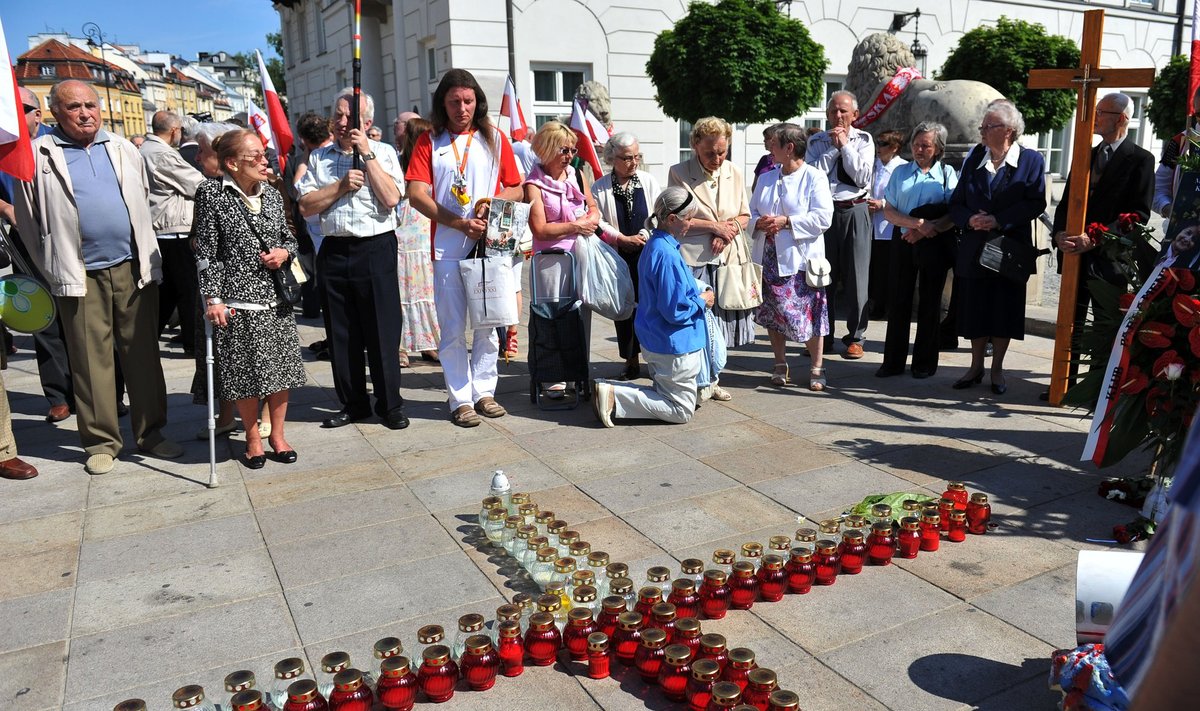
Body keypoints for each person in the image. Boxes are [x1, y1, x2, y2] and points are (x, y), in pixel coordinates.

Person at [12, 79, 182, 475]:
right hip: (79, 273)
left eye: (90, 104)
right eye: (74, 107)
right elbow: (29, 221)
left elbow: (139, 200)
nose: (85, 113)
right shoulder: (38, 155)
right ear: (56, 112)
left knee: (142, 355)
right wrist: (53, 267)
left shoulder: (123, 148)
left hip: (130, 267)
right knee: (91, 361)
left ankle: (151, 433)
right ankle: (101, 441)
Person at [405, 69, 523, 428]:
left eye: (468, 100)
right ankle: (460, 399)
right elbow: (415, 194)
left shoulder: (495, 139)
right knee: (454, 327)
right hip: (447, 249)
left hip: (490, 248)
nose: (462, 108)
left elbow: (516, 188)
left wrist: (492, 200)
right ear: (443, 102)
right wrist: (457, 222)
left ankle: (484, 392)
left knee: (488, 324)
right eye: (454, 101)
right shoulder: (430, 141)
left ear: (477, 102)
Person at [297, 88, 409, 431]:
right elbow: (306, 204)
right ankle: (353, 403)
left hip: (375, 248)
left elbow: (391, 197)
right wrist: (341, 186)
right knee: (342, 333)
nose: (342, 123)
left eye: (351, 117)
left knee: (381, 330)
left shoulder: (385, 152)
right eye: (339, 115)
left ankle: (390, 404)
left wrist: (368, 155)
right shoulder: (320, 158)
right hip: (334, 249)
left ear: (368, 123)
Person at [193, 128, 306, 468]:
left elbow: (291, 237)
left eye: (263, 154)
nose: (263, 160)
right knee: (244, 373)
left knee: (280, 371)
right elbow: (207, 251)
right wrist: (213, 297)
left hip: (276, 298)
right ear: (232, 163)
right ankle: (253, 437)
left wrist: (284, 252)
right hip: (237, 298)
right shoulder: (211, 193)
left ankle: (278, 435)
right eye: (254, 156)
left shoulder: (271, 194)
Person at [1051, 92, 1155, 392]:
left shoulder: (1141, 160)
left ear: (1122, 118)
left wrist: (1094, 237)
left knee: (1104, 327)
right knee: (1070, 324)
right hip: (1073, 256)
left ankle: (1095, 389)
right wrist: (1060, 233)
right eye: (1096, 110)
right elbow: (1066, 201)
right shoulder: (1087, 154)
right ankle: (1063, 384)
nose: (1095, 117)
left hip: (1109, 260)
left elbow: (1138, 215)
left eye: (1103, 112)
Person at [948, 99, 1047, 395]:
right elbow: (956, 202)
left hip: (1009, 249)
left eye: (988, 125)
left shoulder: (1030, 160)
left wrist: (999, 220)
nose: (981, 130)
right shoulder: (975, 156)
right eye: (983, 125)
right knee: (975, 310)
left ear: (1008, 130)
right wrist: (970, 220)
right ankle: (975, 365)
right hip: (975, 246)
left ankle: (997, 369)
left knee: (1004, 310)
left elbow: (1036, 201)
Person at [592, 187, 713, 426]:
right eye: (688, 219)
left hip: (659, 338)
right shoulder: (666, 253)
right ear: (672, 219)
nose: (691, 224)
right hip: (673, 344)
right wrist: (703, 301)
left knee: (667, 395)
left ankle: (613, 394)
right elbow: (675, 310)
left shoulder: (657, 246)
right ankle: (614, 394)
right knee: (680, 410)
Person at [0, 86, 78, 424]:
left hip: (68, 236)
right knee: (43, 318)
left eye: (21, 110)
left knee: (80, 315)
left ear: (37, 114)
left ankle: (100, 392)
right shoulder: (4, 147)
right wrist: (6, 207)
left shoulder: (57, 142)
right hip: (25, 238)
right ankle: (59, 395)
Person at [667, 116, 753, 401]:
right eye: (709, 153)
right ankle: (696, 379)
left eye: (722, 151)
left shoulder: (735, 172)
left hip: (726, 258)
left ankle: (713, 378)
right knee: (697, 320)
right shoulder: (678, 172)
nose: (717, 158)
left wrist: (727, 231)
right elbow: (678, 219)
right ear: (694, 146)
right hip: (694, 258)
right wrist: (714, 227)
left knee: (720, 324)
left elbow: (745, 214)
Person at [748, 123, 833, 391]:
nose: (769, 148)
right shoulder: (766, 176)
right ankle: (779, 363)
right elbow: (750, 211)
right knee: (773, 313)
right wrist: (757, 223)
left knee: (808, 315)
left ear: (789, 148)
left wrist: (787, 222)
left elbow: (823, 218)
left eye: (774, 143)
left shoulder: (814, 177)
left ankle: (816, 366)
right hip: (769, 257)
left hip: (799, 260)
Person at [877, 122, 959, 379]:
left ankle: (924, 362)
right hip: (902, 240)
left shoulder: (947, 174)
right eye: (916, 143)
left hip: (934, 243)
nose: (919, 149)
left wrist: (926, 229)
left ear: (938, 149)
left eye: (926, 145)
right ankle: (892, 361)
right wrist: (916, 225)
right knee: (898, 301)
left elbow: (954, 213)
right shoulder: (901, 172)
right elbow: (889, 211)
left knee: (929, 303)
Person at [525, 121, 602, 396]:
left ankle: (577, 369)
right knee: (552, 316)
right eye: (564, 150)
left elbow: (593, 208)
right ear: (546, 150)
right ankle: (552, 373)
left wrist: (589, 219)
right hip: (551, 260)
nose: (570, 156)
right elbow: (541, 229)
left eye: (572, 150)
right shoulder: (533, 185)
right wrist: (576, 226)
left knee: (580, 315)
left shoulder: (578, 175)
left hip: (580, 254)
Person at [806, 90, 876, 359]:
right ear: (827, 114)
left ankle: (856, 336)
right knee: (821, 276)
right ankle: (823, 334)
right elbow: (814, 175)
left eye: (844, 111)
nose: (838, 115)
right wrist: (833, 149)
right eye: (834, 110)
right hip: (824, 213)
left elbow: (861, 176)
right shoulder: (816, 141)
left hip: (854, 209)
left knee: (858, 276)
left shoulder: (864, 140)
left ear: (855, 115)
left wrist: (845, 146)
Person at [593, 131, 661, 381]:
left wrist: (643, 234)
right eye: (627, 158)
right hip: (618, 258)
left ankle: (655, 358)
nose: (633, 163)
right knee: (624, 311)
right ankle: (631, 361)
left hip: (647, 255)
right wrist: (621, 239)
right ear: (612, 158)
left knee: (651, 307)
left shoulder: (647, 181)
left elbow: (657, 213)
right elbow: (597, 221)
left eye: (637, 157)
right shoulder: (600, 187)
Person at [189, 122, 242, 440]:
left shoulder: (260, 187)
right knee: (220, 352)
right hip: (216, 283)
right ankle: (225, 415)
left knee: (251, 352)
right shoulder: (208, 190)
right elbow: (199, 239)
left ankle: (262, 415)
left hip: (249, 283)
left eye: (202, 151)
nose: (197, 158)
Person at [141, 110, 205, 355]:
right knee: (188, 290)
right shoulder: (162, 154)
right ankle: (192, 343)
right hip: (173, 230)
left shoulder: (146, 149)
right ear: (174, 130)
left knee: (167, 292)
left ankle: (147, 339)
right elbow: (196, 184)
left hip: (163, 228)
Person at [395, 117, 440, 368]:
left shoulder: (431, 163)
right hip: (405, 236)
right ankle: (400, 347)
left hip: (425, 234)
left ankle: (429, 343)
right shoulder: (402, 166)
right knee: (404, 292)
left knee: (427, 292)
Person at [293, 112, 334, 359]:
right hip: (323, 237)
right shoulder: (323, 155)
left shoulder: (313, 160)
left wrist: (306, 155)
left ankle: (337, 344)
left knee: (332, 299)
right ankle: (333, 340)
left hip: (326, 238)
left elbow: (299, 189)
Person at [867, 129, 906, 320]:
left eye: (882, 144)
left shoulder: (902, 167)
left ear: (894, 147)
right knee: (874, 268)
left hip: (890, 225)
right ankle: (876, 304)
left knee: (889, 268)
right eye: (877, 143)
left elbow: (901, 195)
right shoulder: (873, 165)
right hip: (871, 225)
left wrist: (881, 203)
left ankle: (888, 306)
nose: (878, 147)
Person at [751, 123, 783, 193]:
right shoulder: (764, 159)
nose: (764, 141)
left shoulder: (784, 161)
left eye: (766, 138)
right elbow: (755, 186)